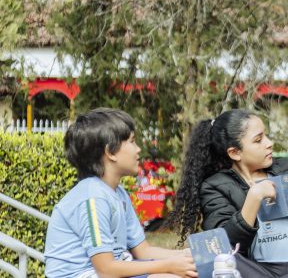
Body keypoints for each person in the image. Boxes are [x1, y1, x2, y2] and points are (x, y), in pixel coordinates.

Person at [169, 109, 288, 278]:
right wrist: (254, 197)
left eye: (266, 136)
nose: (269, 143)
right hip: (258, 270)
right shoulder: (215, 186)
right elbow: (225, 245)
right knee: (216, 257)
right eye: (258, 140)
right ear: (235, 153)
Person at [44, 108, 197, 278]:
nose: (138, 149)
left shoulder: (118, 193)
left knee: (187, 272)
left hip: (110, 270)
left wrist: (188, 256)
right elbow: (106, 270)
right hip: (84, 274)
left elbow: (143, 251)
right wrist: (169, 266)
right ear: (110, 152)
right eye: (132, 142)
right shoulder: (93, 198)